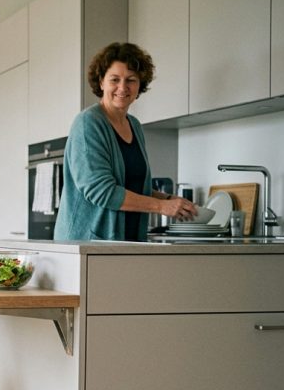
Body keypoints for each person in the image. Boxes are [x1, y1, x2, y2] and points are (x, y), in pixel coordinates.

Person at [54, 42, 198, 242]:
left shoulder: (135, 126)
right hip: (88, 243)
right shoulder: (88, 123)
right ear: (101, 82)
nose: (123, 87)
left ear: (140, 85)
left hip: (125, 243)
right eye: (115, 79)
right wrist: (161, 207)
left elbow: (134, 185)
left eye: (131, 80)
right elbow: (102, 191)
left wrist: (167, 199)